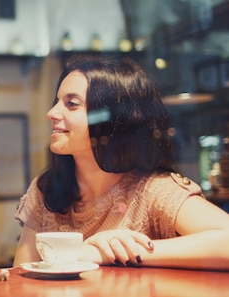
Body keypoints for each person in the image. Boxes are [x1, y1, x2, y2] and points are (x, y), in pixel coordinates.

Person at [13, 56, 229, 271]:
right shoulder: (47, 188)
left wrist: (117, 252)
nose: (51, 113)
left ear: (111, 120)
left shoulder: (152, 190)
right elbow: (20, 277)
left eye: (72, 104)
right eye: (57, 102)